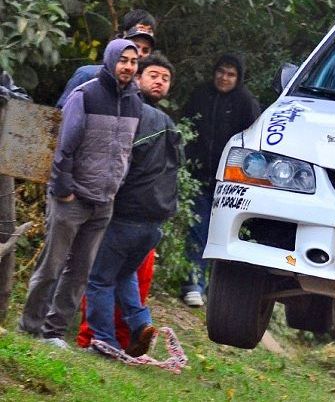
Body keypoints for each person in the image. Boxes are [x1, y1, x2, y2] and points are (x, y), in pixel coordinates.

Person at [18, 39, 143, 348]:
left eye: (133, 61)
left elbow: (126, 151)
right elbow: (64, 147)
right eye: (123, 60)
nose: (127, 66)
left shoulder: (135, 102)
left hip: (104, 202)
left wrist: (115, 186)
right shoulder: (85, 94)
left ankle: (54, 332)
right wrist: (63, 190)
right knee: (52, 265)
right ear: (111, 60)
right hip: (71, 198)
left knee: (80, 274)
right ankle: (29, 326)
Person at [79, 52, 181, 357]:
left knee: (99, 279)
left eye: (165, 78)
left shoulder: (133, 115)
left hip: (126, 217)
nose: (159, 81)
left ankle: (104, 342)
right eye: (154, 75)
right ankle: (140, 324)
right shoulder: (169, 124)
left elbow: (117, 164)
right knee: (123, 274)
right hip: (155, 224)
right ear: (139, 78)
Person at [181, 53, 261, 306]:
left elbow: (254, 141)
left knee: (223, 235)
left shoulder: (246, 102)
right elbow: (186, 127)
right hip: (198, 177)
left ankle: (217, 293)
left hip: (231, 184)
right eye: (221, 71)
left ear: (238, 78)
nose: (224, 78)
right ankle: (193, 283)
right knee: (197, 230)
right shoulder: (200, 95)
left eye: (230, 74)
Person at [56, 9, 155, 109]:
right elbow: (61, 114)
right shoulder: (88, 75)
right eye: (135, 46)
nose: (139, 54)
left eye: (146, 50)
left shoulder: (142, 90)